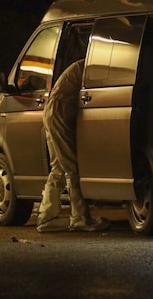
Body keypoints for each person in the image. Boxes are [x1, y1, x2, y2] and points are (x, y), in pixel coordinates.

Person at [36, 59, 110, 232]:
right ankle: (80, 217)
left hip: (51, 111)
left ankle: (46, 217)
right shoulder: (91, 66)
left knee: (58, 167)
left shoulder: (79, 66)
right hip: (60, 110)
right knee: (71, 166)